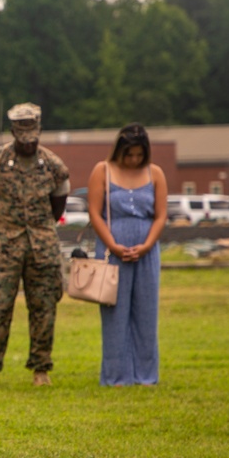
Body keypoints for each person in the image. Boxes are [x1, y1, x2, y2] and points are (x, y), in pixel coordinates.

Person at [0, 102, 70, 389]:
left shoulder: (54, 166)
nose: (27, 143)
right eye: (22, 137)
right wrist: (1, 231)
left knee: (44, 307)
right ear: (14, 133)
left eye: (32, 137)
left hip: (43, 248)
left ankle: (41, 368)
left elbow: (58, 206)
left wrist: (39, 230)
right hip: (5, 247)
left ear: (38, 132)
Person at [86, 123, 168, 386]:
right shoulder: (102, 170)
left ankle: (146, 375)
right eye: (129, 154)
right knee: (115, 314)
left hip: (146, 251)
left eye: (138, 155)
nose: (134, 160)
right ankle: (116, 376)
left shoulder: (155, 173)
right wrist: (112, 244)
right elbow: (95, 213)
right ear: (119, 151)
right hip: (112, 251)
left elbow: (161, 215)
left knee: (146, 313)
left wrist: (146, 246)